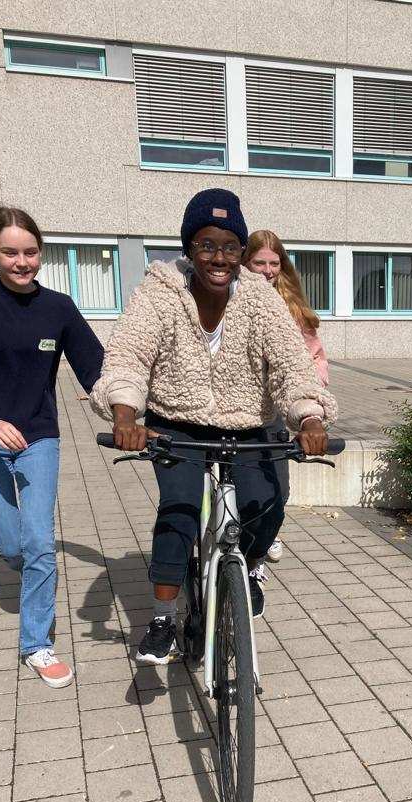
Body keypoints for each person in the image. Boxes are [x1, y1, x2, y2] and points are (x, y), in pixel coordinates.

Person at [90, 188, 337, 666]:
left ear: (242, 252)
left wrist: (308, 415)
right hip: (177, 424)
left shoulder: (262, 300)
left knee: (267, 503)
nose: (218, 257)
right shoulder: (159, 293)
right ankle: (163, 616)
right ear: (189, 248)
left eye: (229, 246)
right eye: (206, 244)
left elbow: (293, 366)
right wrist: (125, 413)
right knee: (179, 509)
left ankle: (242, 574)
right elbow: (128, 355)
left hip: (248, 424)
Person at [0, 207, 104, 686]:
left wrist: (127, 405)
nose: (21, 261)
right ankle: (27, 563)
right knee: (11, 542)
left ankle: (37, 643)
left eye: (30, 252)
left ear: (41, 253)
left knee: (37, 541)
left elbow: (95, 368)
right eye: (10, 252)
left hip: (37, 437)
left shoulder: (59, 308)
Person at [245, 230, 330, 562]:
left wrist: (311, 394)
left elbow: (315, 357)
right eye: (259, 263)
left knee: (278, 488)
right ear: (244, 263)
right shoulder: (230, 298)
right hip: (236, 407)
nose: (267, 270)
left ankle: (263, 538)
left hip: (279, 407)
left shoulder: (292, 306)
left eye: (274, 263)